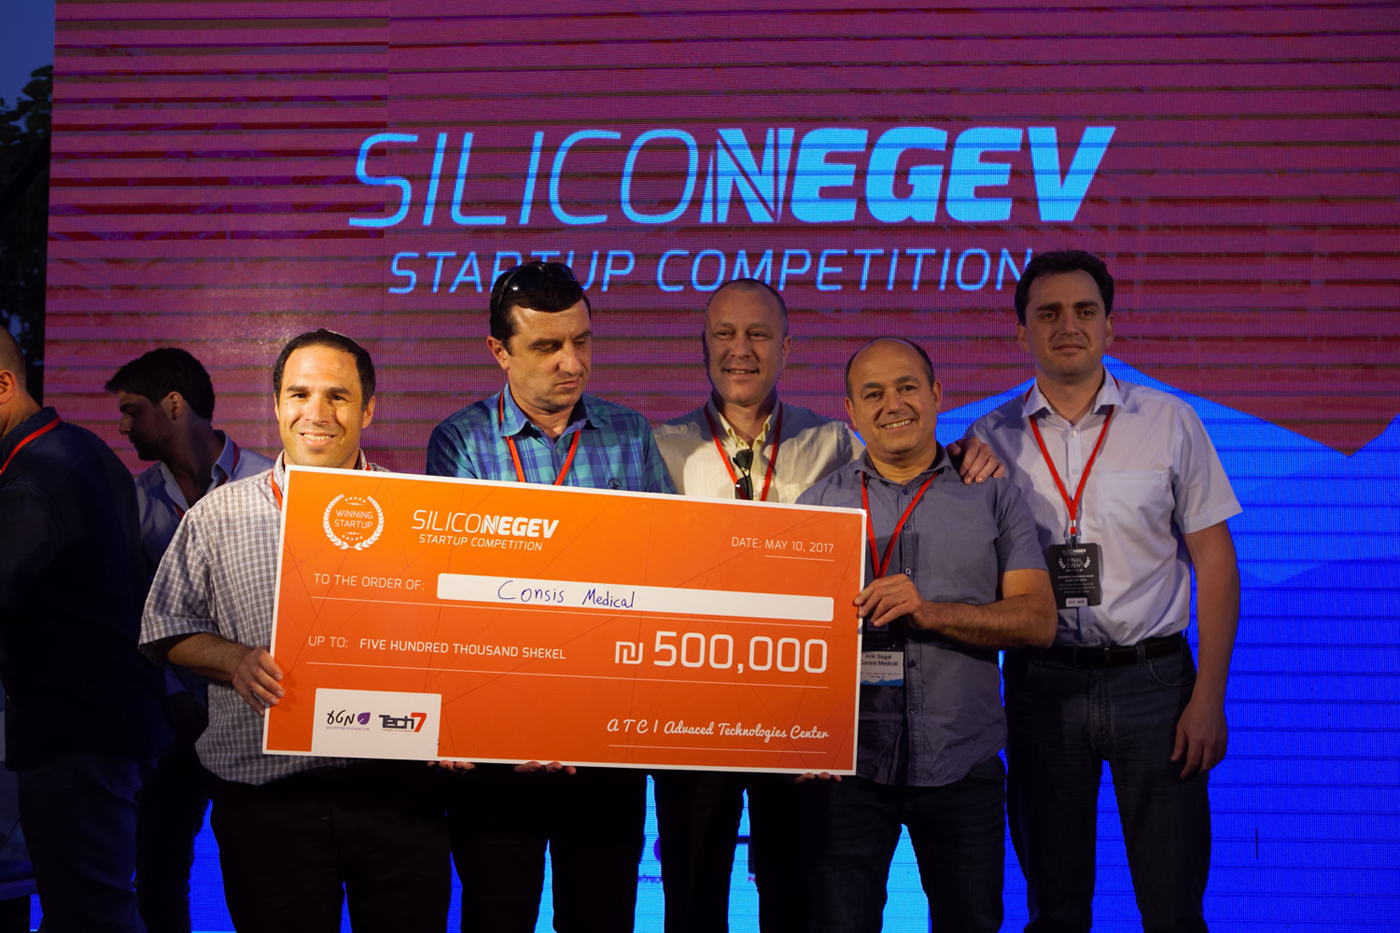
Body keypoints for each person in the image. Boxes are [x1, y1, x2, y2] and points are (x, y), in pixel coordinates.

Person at [650, 280, 1002, 932]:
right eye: (724, 334)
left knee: (794, 902)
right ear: (703, 346)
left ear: (786, 348)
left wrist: (963, 451)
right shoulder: (661, 447)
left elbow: (904, 462)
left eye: (758, 334)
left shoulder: (834, 441)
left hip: (800, 718)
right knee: (691, 904)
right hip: (695, 713)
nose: (740, 349)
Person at [141, 330, 450, 933]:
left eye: (338, 396)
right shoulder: (217, 515)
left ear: (368, 410)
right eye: (300, 394)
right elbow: (167, 628)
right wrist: (233, 659)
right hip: (266, 805)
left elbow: (460, 642)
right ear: (277, 405)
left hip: (398, 797)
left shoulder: (421, 514)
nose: (317, 412)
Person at [970, 250, 1241, 932]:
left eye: (1085, 311)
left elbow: (1215, 562)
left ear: (1110, 326)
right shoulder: (988, 438)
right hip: (1041, 685)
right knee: (1054, 907)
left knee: (1173, 905)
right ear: (1022, 332)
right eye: (1049, 313)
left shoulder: (1170, 422)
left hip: (1156, 684)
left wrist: (1209, 697)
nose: (1069, 325)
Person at [426, 260, 674, 932]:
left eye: (582, 340)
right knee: (496, 917)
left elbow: (659, 580)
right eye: (547, 346)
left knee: (602, 917)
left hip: (603, 741)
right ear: (499, 351)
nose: (573, 362)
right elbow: (459, 596)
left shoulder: (630, 434)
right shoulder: (460, 441)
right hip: (499, 743)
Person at [796, 337, 1056, 933]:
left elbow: (1038, 620)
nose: (893, 404)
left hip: (962, 762)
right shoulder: (819, 506)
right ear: (850, 412)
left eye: (907, 387)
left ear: (937, 394)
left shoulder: (992, 493)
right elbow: (793, 641)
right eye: (873, 394)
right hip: (848, 772)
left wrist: (931, 613)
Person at [0, 329, 174, 932]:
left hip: (76, 737)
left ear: (3, 385)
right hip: (102, 728)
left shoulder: (34, 477)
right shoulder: (79, 448)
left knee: (92, 915)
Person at [106, 347, 272, 933]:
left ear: (174, 406)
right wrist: (174, 693)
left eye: (133, 410)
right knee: (158, 872)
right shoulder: (133, 502)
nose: (122, 427)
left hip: (258, 719)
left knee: (258, 875)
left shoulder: (270, 483)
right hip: (171, 724)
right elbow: (132, 613)